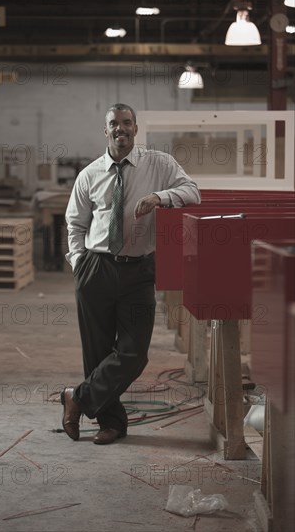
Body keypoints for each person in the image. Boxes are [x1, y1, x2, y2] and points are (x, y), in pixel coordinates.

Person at [61, 103, 201, 445]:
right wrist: (79, 263)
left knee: (134, 352)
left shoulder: (159, 163)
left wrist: (159, 197)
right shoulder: (89, 174)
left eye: (126, 123)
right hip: (96, 268)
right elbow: (75, 224)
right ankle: (112, 424)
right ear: (105, 131)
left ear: (135, 129)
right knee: (96, 352)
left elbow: (193, 193)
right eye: (113, 124)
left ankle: (77, 398)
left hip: (139, 269)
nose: (120, 128)